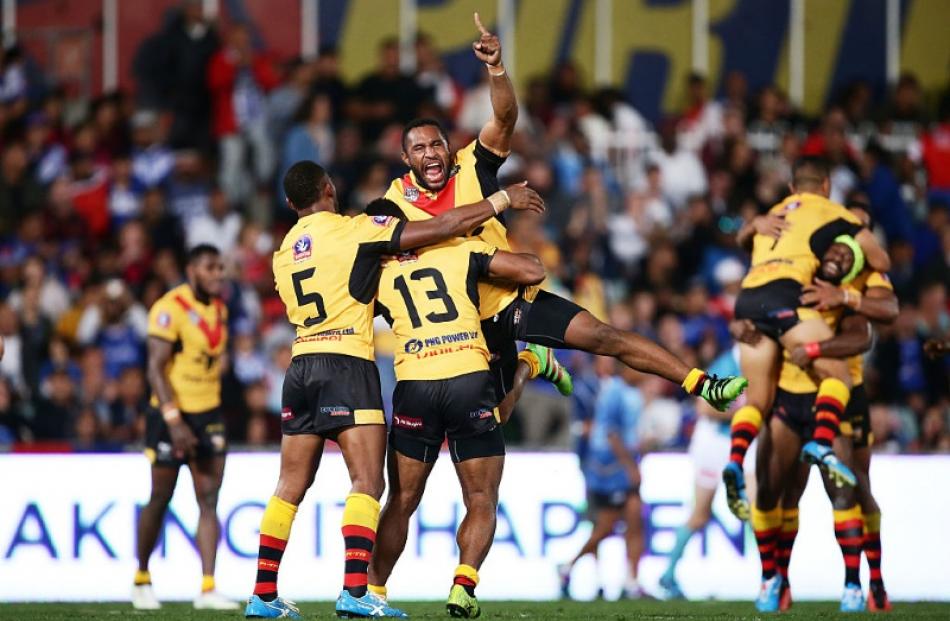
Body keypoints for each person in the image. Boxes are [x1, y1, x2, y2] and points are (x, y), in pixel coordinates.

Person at [384, 14, 747, 425]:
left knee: (603, 336)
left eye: (437, 144)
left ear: (449, 147)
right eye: (419, 149)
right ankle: (531, 363)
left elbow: (504, 119)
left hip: (511, 299)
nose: (431, 154)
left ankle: (703, 384)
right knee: (494, 420)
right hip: (463, 328)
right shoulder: (394, 202)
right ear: (405, 158)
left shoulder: (470, 166)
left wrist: (496, 69)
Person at [243, 161, 543, 619]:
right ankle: (356, 591)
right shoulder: (357, 230)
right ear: (329, 188)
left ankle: (263, 595)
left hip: (300, 365)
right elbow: (443, 225)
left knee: (288, 486)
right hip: (347, 363)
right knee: (367, 482)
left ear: (290, 204)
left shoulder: (284, 252)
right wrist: (501, 200)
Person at [363, 198, 563, 618]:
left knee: (401, 498)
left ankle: (373, 593)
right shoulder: (456, 248)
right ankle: (463, 583)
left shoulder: (374, 273)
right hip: (468, 377)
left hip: (415, 383)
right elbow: (533, 270)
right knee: (481, 496)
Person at [733, 235, 898, 613]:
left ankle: (860, 584)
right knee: (779, 492)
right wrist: (738, 327)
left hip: (836, 400)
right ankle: (777, 581)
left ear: (855, 267)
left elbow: (862, 337)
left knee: (846, 492)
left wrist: (814, 349)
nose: (839, 256)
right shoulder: (790, 284)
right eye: (835, 249)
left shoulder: (848, 294)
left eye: (848, 254)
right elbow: (751, 317)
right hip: (787, 399)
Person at [723, 157, 891, 520]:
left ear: (790, 189)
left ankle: (735, 459)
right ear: (827, 186)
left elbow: (740, 238)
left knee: (757, 399)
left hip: (748, 298)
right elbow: (882, 260)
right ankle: (820, 443)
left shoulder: (775, 212)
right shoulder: (831, 213)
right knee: (839, 376)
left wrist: (753, 224)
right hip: (785, 295)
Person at [133, 244, 236, 611]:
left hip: (208, 414)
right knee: (160, 498)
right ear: (192, 270)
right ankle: (142, 578)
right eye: (210, 267)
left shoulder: (220, 309)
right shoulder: (168, 308)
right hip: (169, 416)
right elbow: (155, 368)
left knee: (209, 500)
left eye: (220, 268)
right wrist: (174, 420)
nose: (217, 274)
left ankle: (208, 588)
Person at [557, 364, 648, 600]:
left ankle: (632, 582)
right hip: (611, 468)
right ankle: (568, 567)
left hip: (625, 463)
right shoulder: (614, 393)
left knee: (635, 521)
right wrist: (631, 467)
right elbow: (610, 433)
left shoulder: (633, 392)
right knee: (606, 527)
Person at [658, 346, 741, 599]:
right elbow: (703, 408)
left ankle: (772, 576)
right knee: (700, 514)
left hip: (738, 443)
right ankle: (668, 574)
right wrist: (747, 412)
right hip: (713, 445)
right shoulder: (728, 363)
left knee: (756, 508)